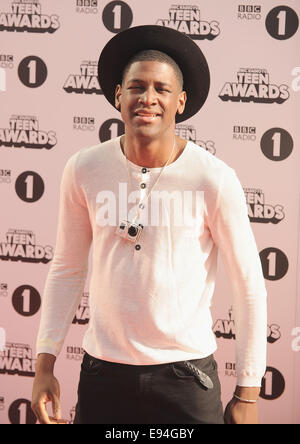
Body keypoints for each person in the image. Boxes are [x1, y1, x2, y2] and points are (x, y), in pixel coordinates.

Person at [31, 25, 267, 425]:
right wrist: (43, 365)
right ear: (118, 95)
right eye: (137, 86)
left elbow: (248, 285)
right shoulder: (84, 168)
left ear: (181, 101)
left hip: (186, 377)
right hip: (102, 373)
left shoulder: (213, 178)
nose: (148, 98)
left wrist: (248, 392)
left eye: (161, 88)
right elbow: (66, 268)